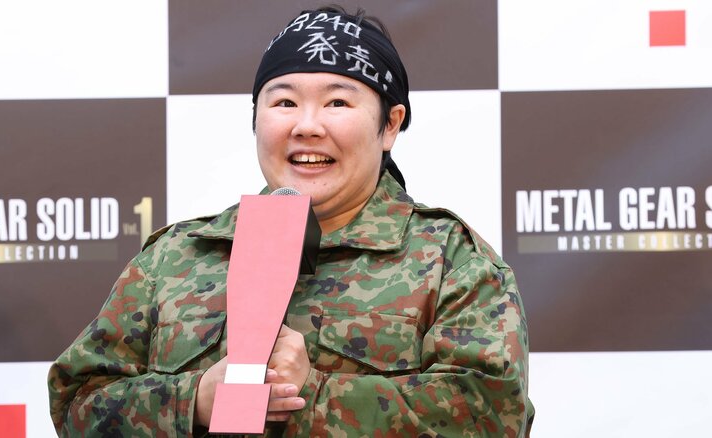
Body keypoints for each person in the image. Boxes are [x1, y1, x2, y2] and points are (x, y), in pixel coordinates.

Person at [48, 6, 534, 437]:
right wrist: (192, 401)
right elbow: (77, 401)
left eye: (337, 102)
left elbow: (494, 414)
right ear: (256, 119)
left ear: (389, 125)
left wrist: (317, 395)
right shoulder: (175, 255)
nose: (306, 125)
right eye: (284, 102)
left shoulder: (449, 259)